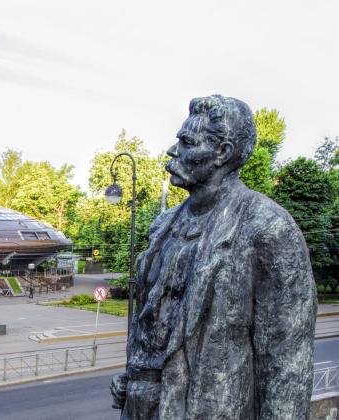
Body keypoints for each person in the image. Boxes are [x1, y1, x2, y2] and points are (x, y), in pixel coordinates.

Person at [111, 95, 317, 419]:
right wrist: (133, 377)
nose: (172, 150)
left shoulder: (268, 228)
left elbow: (285, 363)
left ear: (222, 153)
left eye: (187, 142)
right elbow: (152, 325)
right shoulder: (163, 225)